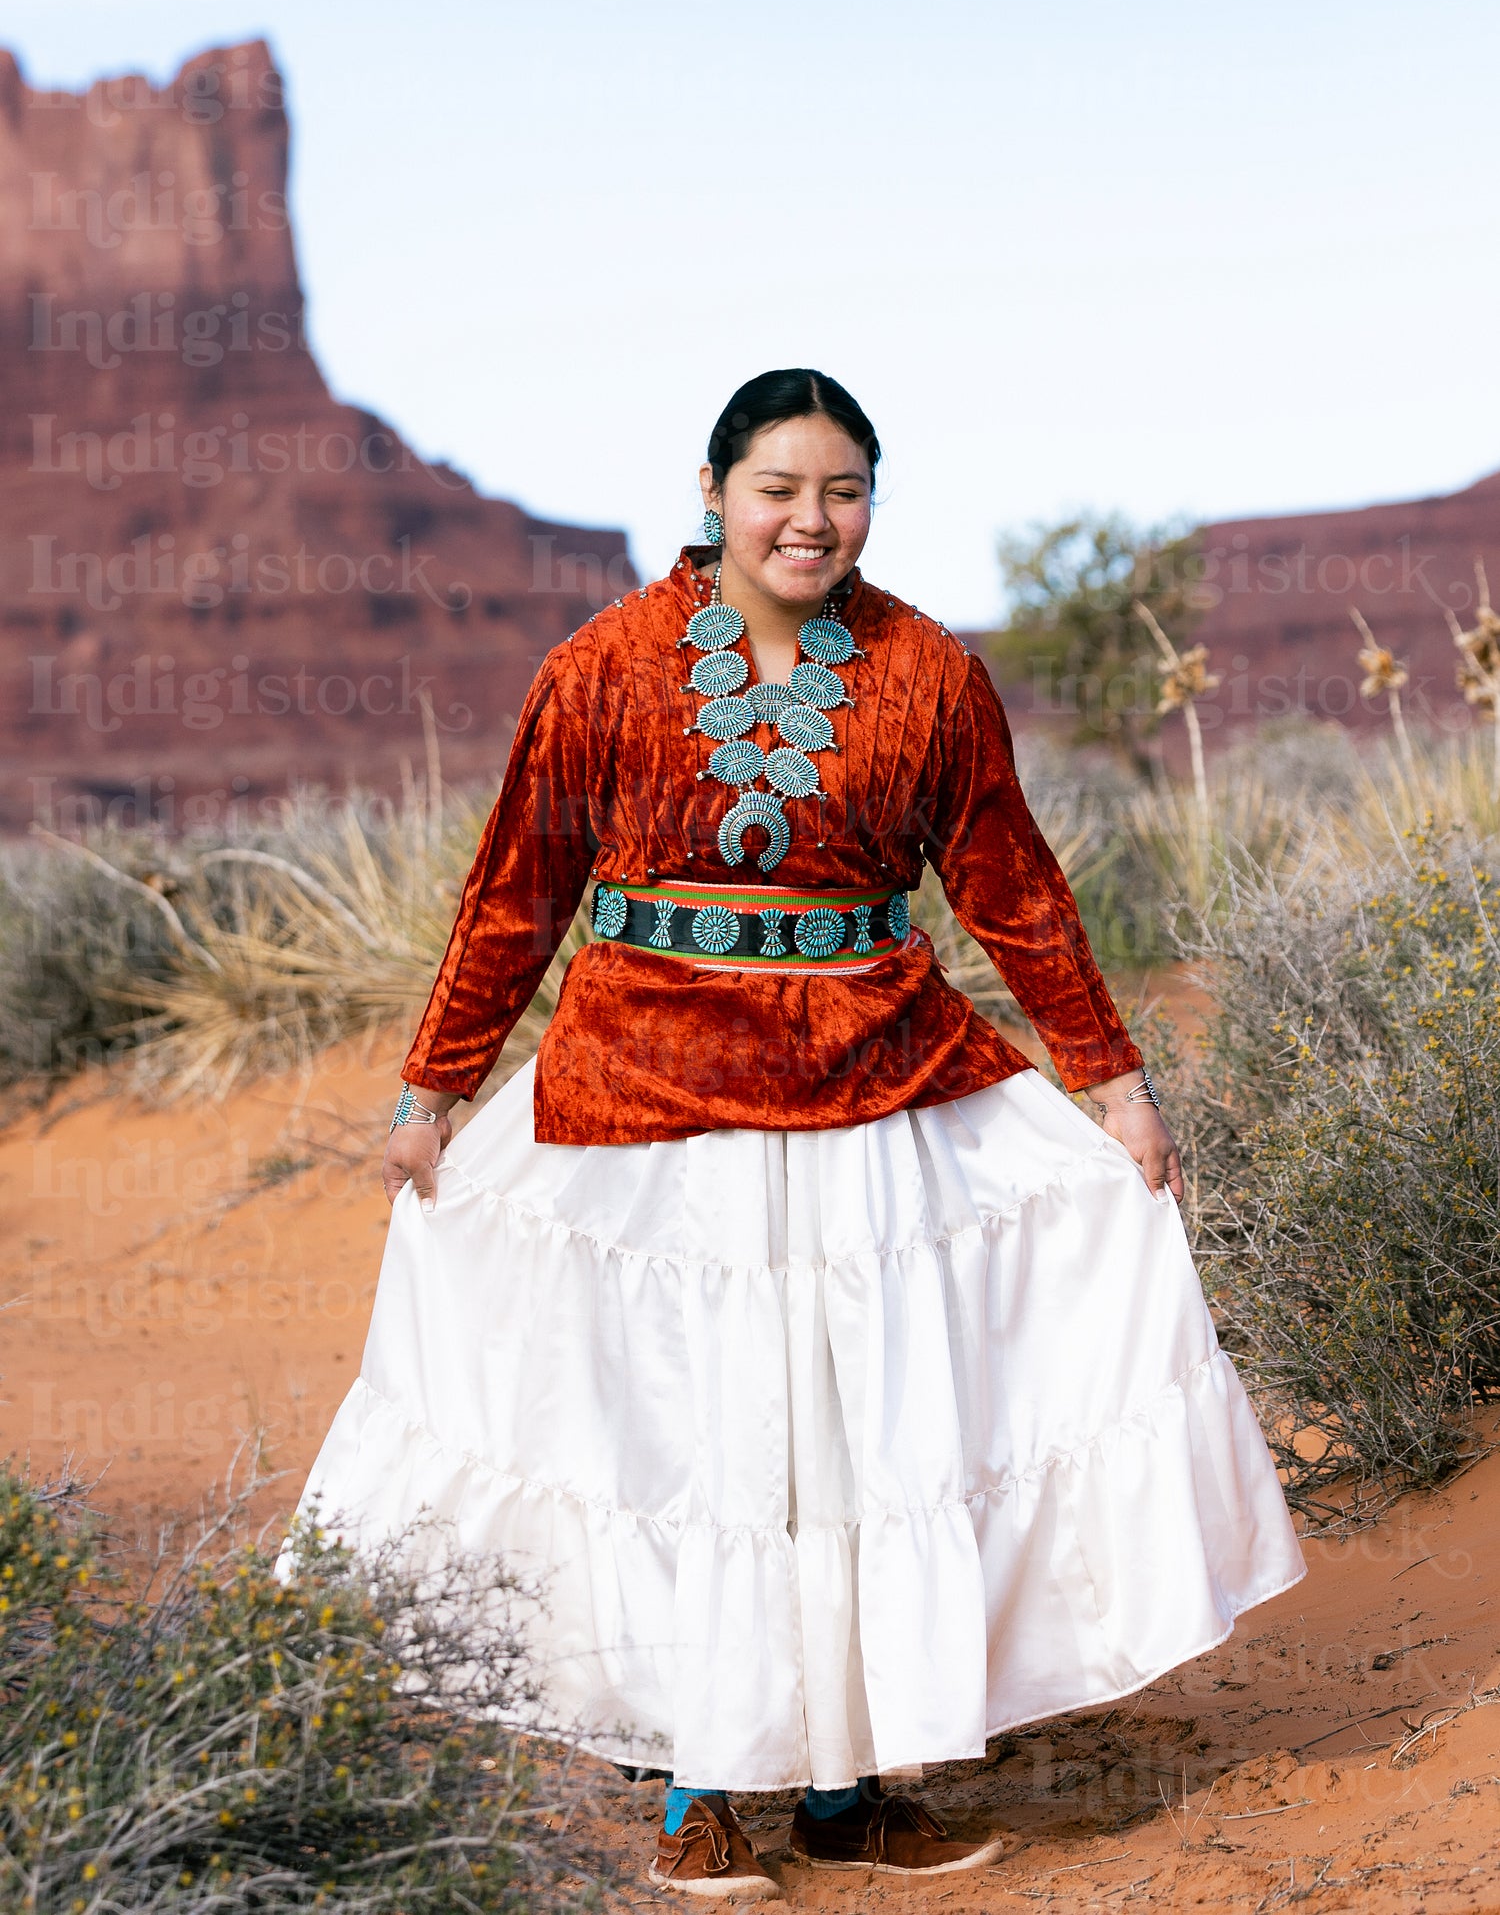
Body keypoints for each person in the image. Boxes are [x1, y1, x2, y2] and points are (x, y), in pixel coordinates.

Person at [288, 369, 1304, 1898]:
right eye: (778, 488)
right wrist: (436, 1086)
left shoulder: (931, 673)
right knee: (701, 1439)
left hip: (873, 1087)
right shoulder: (602, 667)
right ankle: (700, 1780)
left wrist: (1112, 1081)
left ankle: (847, 1786)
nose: (809, 520)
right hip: (646, 1100)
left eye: (843, 490)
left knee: (859, 1433)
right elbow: (517, 889)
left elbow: (1012, 887)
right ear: (712, 493)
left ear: (871, 504)